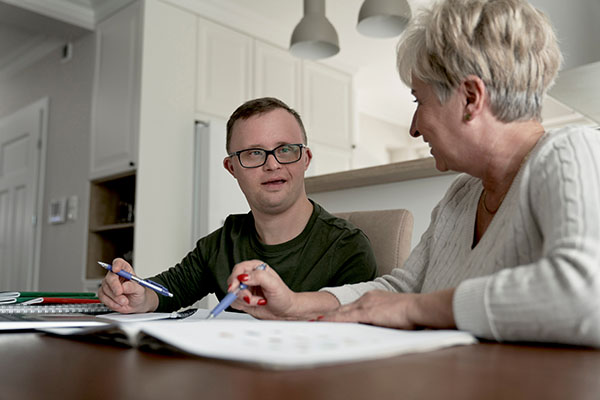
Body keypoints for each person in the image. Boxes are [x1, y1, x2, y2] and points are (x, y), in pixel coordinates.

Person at [225, 0, 600, 347]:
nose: (414, 128)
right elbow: (400, 288)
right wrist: (291, 304)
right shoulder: (461, 195)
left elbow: (586, 293)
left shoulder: (569, 152)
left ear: (470, 98)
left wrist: (414, 309)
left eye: (419, 101)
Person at [98, 97, 377, 313]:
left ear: (305, 159)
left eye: (285, 150)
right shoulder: (221, 244)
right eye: (254, 153)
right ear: (232, 168)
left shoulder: (347, 247)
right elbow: (168, 290)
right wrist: (136, 296)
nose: (272, 164)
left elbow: (353, 327)